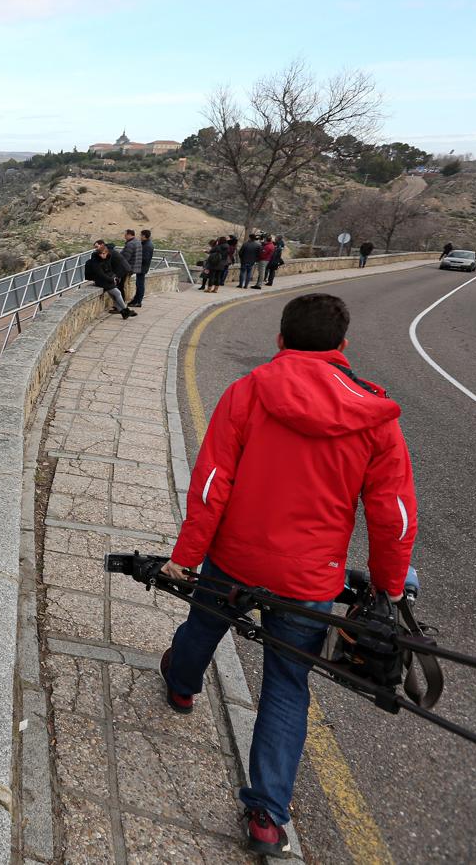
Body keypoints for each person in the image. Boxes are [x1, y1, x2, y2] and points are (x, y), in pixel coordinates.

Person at [159, 293, 418, 856]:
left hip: (234, 558)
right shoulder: (376, 415)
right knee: (286, 684)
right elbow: (392, 516)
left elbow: (211, 484)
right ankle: (267, 813)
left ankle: (181, 689)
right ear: (342, 347)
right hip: (310, 580)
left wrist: (186, 553)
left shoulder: (248, 393)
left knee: (202, 630)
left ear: (280, 340)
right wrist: (390, 586)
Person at [87, 240, 137, 318]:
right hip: (101, 281)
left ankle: (123, 312)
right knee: (117, 293)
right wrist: (111, 279)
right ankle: (126, 310)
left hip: (107, 279)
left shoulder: (107, 258)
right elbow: (100, 273)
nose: (103, 255)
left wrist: (113, 277)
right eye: (102, 254)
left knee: (114, 296)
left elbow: (109, 269)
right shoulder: (95, 260)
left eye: (104, 253)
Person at [133, 228, 154, 306]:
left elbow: (145, 258)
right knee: (139, 284)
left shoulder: (147, 246)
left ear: (144, 236)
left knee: (140, 285)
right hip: (142, 267)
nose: (140, 236)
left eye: (141, 235)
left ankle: (138, 301)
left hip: (142, 268)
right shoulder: (146, 244)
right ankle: (136, 300)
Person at [121, 229, 142, 304]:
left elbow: (125, 258)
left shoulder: (130, 244)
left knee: (124, 285)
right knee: (127, 284)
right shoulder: (138, 242)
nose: (124, 236)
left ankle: (124, 301)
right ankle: (127, 300)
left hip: (128, 268)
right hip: (134, 267)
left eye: (125, 234)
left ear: (129, 235)